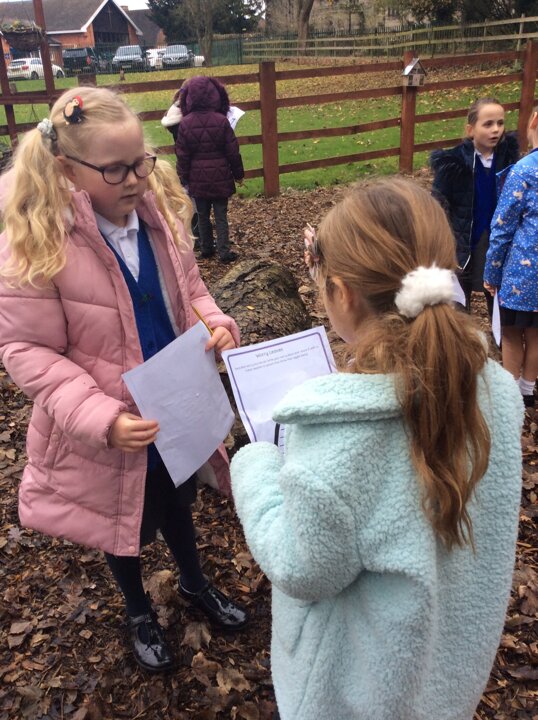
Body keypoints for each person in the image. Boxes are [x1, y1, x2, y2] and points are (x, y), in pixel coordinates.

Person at [231, 177, 523, 720]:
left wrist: (255, 466)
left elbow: (302, 566)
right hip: (449, 673)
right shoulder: (497, 392)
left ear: (341, 292)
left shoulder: (341, 437)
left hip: (357, 698)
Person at [0, 86, 247, 674]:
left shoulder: (158, 219)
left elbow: (191, 290)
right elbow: (26, 349)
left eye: (142, 162)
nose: (136, 179)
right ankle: (138, 610)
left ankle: (193, 582)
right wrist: (100, 418)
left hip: (172, 406)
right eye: (115, 169)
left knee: (177, 500)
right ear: (68, 169)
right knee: (122, 520)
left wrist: (214, 324)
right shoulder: (38, 245)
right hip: (110, 424)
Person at [430, 97, 519, 314]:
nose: (495, 129)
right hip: (462, 242)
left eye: (500, 123)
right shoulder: (453, 164)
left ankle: (501, 333)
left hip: (497, 241)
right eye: (488, 124)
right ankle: (460, 333)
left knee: (498, 297)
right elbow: (437, 207)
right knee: (458, 300)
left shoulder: (510, 161)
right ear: (471, 130)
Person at [484, 108, 538, 408]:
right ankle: (527, 390)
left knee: (512, 332)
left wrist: (492, 273)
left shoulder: (524, 171)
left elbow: (502, 227)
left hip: (522, 274)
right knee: (537, 333)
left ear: (534, 122)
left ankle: (510, 394)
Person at [175, 75, 244, 264]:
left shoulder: (185, 124)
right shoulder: (222, 121)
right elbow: (232, 151)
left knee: (202, 215)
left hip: (197, 178)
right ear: (215, 95)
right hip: (221, 176)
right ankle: (224, 251)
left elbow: (183, 155)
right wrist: (238, 174)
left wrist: (183, 177)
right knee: (221, 216)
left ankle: (206, 248)